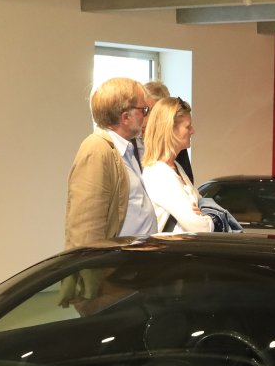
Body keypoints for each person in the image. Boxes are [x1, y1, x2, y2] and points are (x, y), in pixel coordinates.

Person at [67, 77, 155, 248]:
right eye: (143, 110)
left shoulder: (125, 150)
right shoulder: (96, 150)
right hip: (119, 262)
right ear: (125, 117)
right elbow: (86, 229)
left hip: (135, 260)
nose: (146, 116)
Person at [142, 97, 212, 233]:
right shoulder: (158, 173)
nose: (192, 131)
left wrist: (201, 214)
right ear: (170, 130)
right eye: (188, 126)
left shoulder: (176, 167)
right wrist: (209, 219)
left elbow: (199, 207)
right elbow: (201, 227)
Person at [143, 80, 192, 183]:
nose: (146, 119)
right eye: (144, 111)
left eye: (152, 112)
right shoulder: (130, 142)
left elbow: (188, 182)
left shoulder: (176, 146)